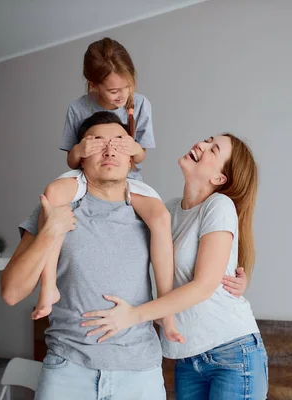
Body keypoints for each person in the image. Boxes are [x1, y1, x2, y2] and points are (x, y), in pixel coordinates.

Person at [1, 112, 181, 399]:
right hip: (67, 371)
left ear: (132, 158)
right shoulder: (55, 206)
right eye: (97, 143)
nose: (109, 150)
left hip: (139, 375)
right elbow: (11, 293)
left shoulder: (152, 214)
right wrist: (50, 231)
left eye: (119, 143)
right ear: (80, 158)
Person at [81, 134, 268, 399]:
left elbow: (203, 287)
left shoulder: (218, 206)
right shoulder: (167, 211)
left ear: (219, 178)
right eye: (207, 139)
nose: (201, 145)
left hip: (232, 353)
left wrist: (133, 315)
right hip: (187, 357)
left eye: (213, 149)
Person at [32, 38, 177, 347]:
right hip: (86, 175)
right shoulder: (77, 108)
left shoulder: (141, 104)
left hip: (128, 180)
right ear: (92, 85)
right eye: (112, 91)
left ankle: (166, 309)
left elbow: (140, 158)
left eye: (126, 87)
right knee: (53, 196)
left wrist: (133, 147)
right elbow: (71, 159)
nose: (121, 96)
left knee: (161, 217)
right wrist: (81, 149)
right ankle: (48, 286)